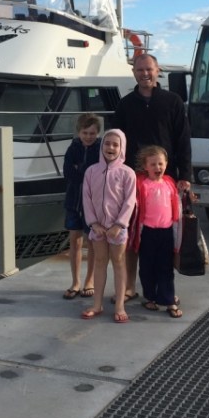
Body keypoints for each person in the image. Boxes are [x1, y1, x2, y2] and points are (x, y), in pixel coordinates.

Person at [112, 53, 191, 303]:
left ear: (158, 72)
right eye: (140, 70)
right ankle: (129, 286)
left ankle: (164, 289)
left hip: (164, 179)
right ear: (133, 72)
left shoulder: (173, 101)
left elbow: (182, 141)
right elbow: (118, 143)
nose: (144, 74)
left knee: (164, 238)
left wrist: (185, 175)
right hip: (133, 180)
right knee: (131, 233)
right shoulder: (125, 104)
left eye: (149, 69)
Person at [81, 129, 136, 324]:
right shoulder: (91, 171)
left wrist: (120, 224)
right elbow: (86, 199)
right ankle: (97, 304)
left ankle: (120, 305)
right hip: (97, 228)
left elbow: (130, 201)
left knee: (119, 263)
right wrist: (93, 223)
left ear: (122, 148)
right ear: (101, 145)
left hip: (117, 229)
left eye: (115, 144)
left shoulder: (127, 173)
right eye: (107, 143)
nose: (110, 147)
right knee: (99, 262)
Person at [132, 145, 183, 319]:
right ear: (145, 167)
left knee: (166, 268)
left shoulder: (169, 182)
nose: (157, 168)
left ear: (166, 164)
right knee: (147, 268)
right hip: (147, 233)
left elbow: (177, 203)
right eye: (153, 164)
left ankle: (169, 300)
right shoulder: (141, 184)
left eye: (160, 164)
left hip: (166, 232)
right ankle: (150, 297)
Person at [61, 113, 101, 300]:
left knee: (91, 240)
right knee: (75, 239)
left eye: (92, 133)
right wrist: (85, 175)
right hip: (73, 201)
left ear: (98, 133)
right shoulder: (73, 148)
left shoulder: (100, 149)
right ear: (79, 132)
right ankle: (75, 281)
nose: (88, 137)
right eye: (85, 133)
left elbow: (98, 175)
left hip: (92, 203)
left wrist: (82, 172)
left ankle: (89, 280)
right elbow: (68, 173)